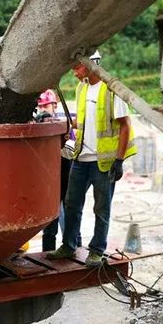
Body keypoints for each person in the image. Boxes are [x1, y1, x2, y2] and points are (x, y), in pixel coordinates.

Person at [46, 51, 137, 267]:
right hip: (81, 157)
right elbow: (84, 120)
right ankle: (68, 246)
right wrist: (62, 124)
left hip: (103, 161)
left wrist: (119, 160)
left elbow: (125, 126)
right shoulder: (82, 88)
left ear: (90, 65)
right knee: (71, 203)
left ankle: (96, 250)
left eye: (77, 67)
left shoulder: (112, 88)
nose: (74, 72)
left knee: (101, 207)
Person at [37, 89, 82, 251]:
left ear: (55, 106)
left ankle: (76, 248)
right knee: (49, 222)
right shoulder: (36, 126)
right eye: (40, 107)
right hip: (48, 183)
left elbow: (70, 151)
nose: (43, 109)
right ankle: (47, 252)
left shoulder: (63, 126)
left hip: (64, 177)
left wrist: (56, 144)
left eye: (46, 106)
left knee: (69, 214)